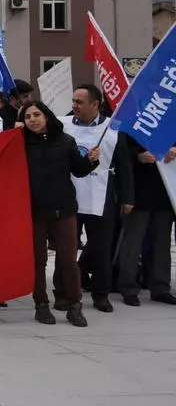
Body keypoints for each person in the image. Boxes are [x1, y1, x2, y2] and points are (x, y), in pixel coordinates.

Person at [57, 84, 133, 313]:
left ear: (95, 104)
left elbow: (125, 166)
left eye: (79, 102)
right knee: (66, 248)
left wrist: (127, 197)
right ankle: (62, 293)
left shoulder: (113, 129)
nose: (74, 106)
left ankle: (101, 294)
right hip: (70, 195)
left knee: (100, 248)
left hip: (101, 196)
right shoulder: (64, 125)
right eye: (73, 101)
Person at [19, 100, 95, 327]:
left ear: (47, 116)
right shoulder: (20, 144)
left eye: (36, 115)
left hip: (64, 210)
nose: (32, 120)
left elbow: (79, 171)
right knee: (38, 260)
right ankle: (41, 305)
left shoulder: (65, 141)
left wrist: (91, 160)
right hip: (34, 211)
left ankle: (74, 305)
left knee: (68, 260)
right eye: (27, 117)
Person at [115, 136, 176, 308]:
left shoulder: (171, 119)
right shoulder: (137, 120)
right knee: (132, 243)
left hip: (166, 192)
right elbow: (122, 152)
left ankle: (161, 287)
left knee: (162, 244)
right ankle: (128, 288)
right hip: (138, 192)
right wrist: (138, 156)